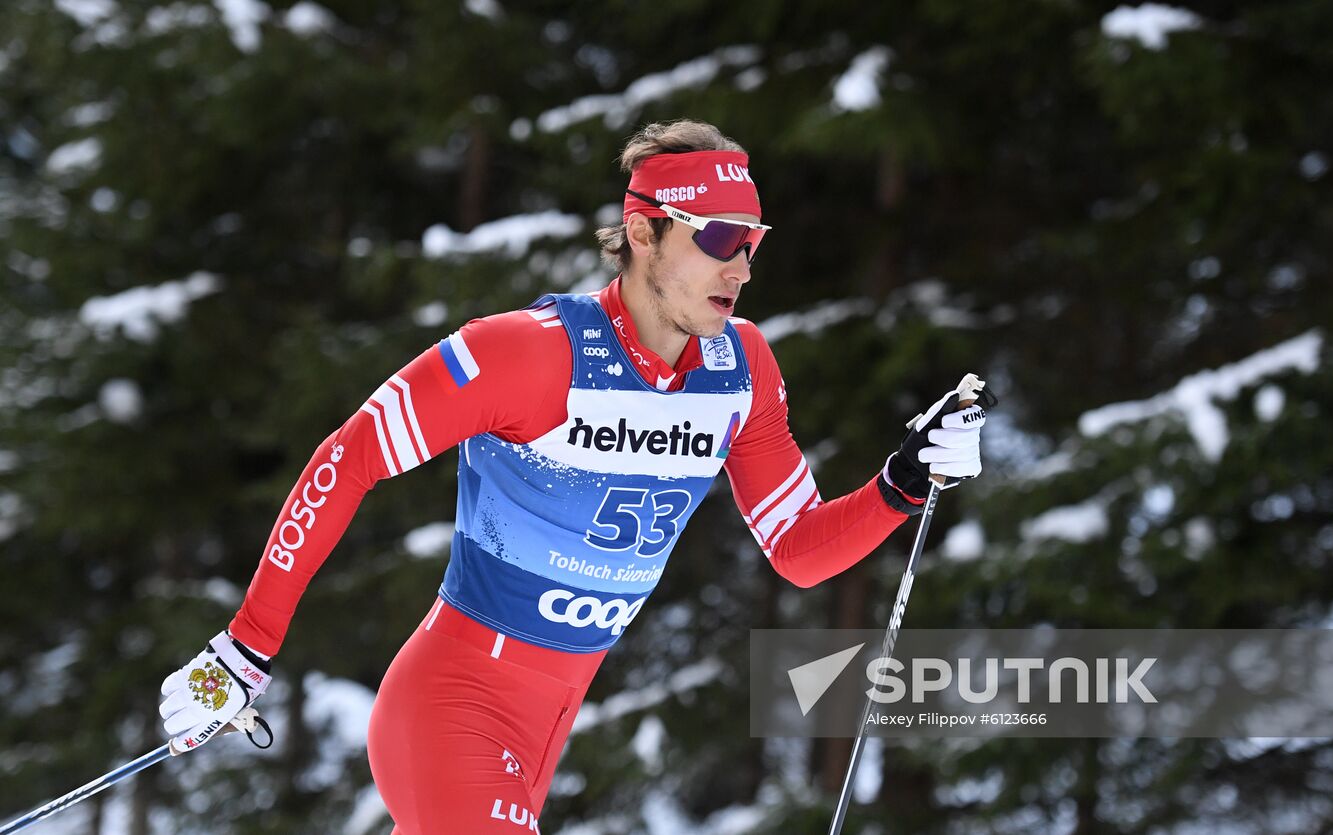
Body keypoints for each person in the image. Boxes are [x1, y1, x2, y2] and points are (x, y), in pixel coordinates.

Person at [155, 119, 987, 833]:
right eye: (721, 239)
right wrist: (242, 651)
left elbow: (799, 550)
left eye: (755, 241)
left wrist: (902, 482)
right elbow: (349, 455)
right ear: (644, 230)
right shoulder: (526, 351)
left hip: (549, 720)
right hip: (453, 700)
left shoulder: (742, 370)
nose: (742, 268)